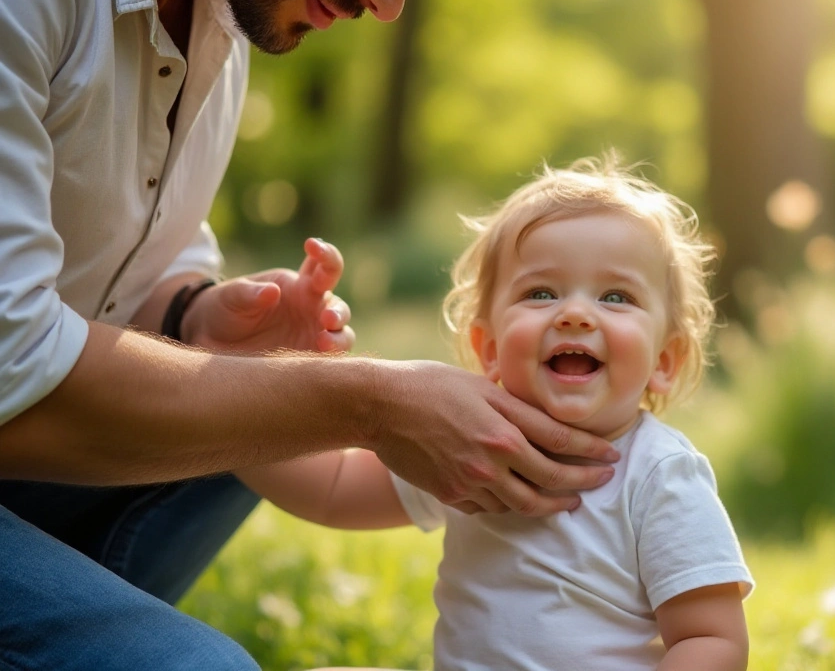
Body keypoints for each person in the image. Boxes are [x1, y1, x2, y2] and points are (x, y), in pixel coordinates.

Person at [0, 0, 622, 668]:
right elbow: (14, 368)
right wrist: (367, 403)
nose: (389, 2)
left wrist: (192, 316)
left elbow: (133, 257)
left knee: (260, 393)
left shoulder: (220, 20)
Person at [238, 156, 754, 670]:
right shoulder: (465, 440)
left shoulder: (660, 474)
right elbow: (332, 491)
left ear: (664, 362)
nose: (574, 313)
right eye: (541, 292)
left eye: (615, 296)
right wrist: (232, 409)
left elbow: (711, 639)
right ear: (488, 347)